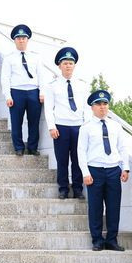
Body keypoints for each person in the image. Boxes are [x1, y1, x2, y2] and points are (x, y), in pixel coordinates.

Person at [77, 91, 131, 251]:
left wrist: (126, 167)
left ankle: (112, 240)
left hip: (113, 169)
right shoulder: (86, 128)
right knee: (95, 207)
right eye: (99, 104)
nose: (102, 107)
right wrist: (85, 172)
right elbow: (81, 151)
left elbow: (123, 147)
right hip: (95, 170)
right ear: (92, 107)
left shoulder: (116, 126)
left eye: (105, 104)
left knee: (114, 206)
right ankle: (97, 240)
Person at [44, 47, 89, 199]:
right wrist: (51, 127)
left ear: (74, 65)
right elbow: (49, 108)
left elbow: (86, 108)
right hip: (61, 127)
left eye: (70, 63)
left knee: (78, 159)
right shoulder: (52, 85)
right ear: (59, 66)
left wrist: (86, 126)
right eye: (65, 63)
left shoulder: (82, 85)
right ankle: (63, 188)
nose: (68, 66)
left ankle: (77, 188)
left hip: (78, 127)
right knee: (62, 160)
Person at [1, 24, 45, 154]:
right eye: (18, 38)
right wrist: (8, 96)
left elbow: (41, 76)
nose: (21, 40)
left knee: (34, 122)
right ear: (14, 40)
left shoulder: (36, 57)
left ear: (27, 39)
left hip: (33, 92)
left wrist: (42, 92)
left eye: (23, 38)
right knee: (16, 122)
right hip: (16, 91)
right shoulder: (9, 58)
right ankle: (19, 147)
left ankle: (32, 147)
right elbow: (5, 78)